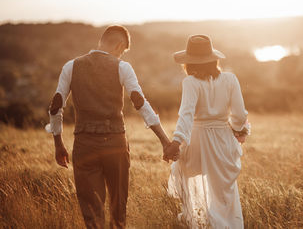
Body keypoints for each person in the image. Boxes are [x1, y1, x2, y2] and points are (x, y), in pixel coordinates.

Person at [46, 25, 176, 229]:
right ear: (119, 45)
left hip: (84, 144)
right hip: (115, 144)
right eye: (122, 51)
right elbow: (140, 103)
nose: (121, 55)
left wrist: (58, 143)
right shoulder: (122, 67)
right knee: (118, 212)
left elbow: (55, 106)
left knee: (92, 214)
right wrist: (165, 141)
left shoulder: (71, 66)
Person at [164, 35, 250, 228]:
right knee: (224, 190)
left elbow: (186, 115)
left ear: (189, 62)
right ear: (214, 59)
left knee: (186, 173)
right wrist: (238, 130)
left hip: (198, 138)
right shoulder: (230, 79)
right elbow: (239, 114)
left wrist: (176, 142)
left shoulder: (191, 83)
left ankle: (196, 218)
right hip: (223, 138)